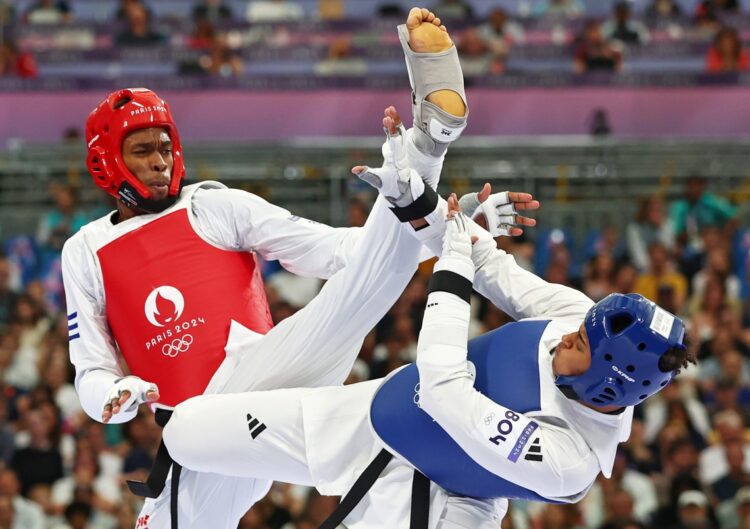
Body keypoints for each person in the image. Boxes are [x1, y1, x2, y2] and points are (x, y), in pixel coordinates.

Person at [64, 8, 505, 529]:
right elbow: (91, 370)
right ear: (106, 162)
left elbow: (342, 253)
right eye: (142, 151)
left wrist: (450, 230)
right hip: (210, 432)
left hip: (266, 373)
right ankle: (419, 172)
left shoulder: (213, 205)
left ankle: (426, 144)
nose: (160, 161)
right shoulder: (86, 249)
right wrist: (111, 397)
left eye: (165, 147)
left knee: (356, 292)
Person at [162, 176, 692, 528]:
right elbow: (494, 268)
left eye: (580, 344)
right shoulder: (578, 319)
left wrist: (452, 264)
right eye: (581, 328)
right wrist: (419, 200)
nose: (570, 332)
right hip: (369, 417)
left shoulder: (569, 461)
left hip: (437, 505)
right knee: (184, 432)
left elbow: (441, 388)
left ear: (608, 383)